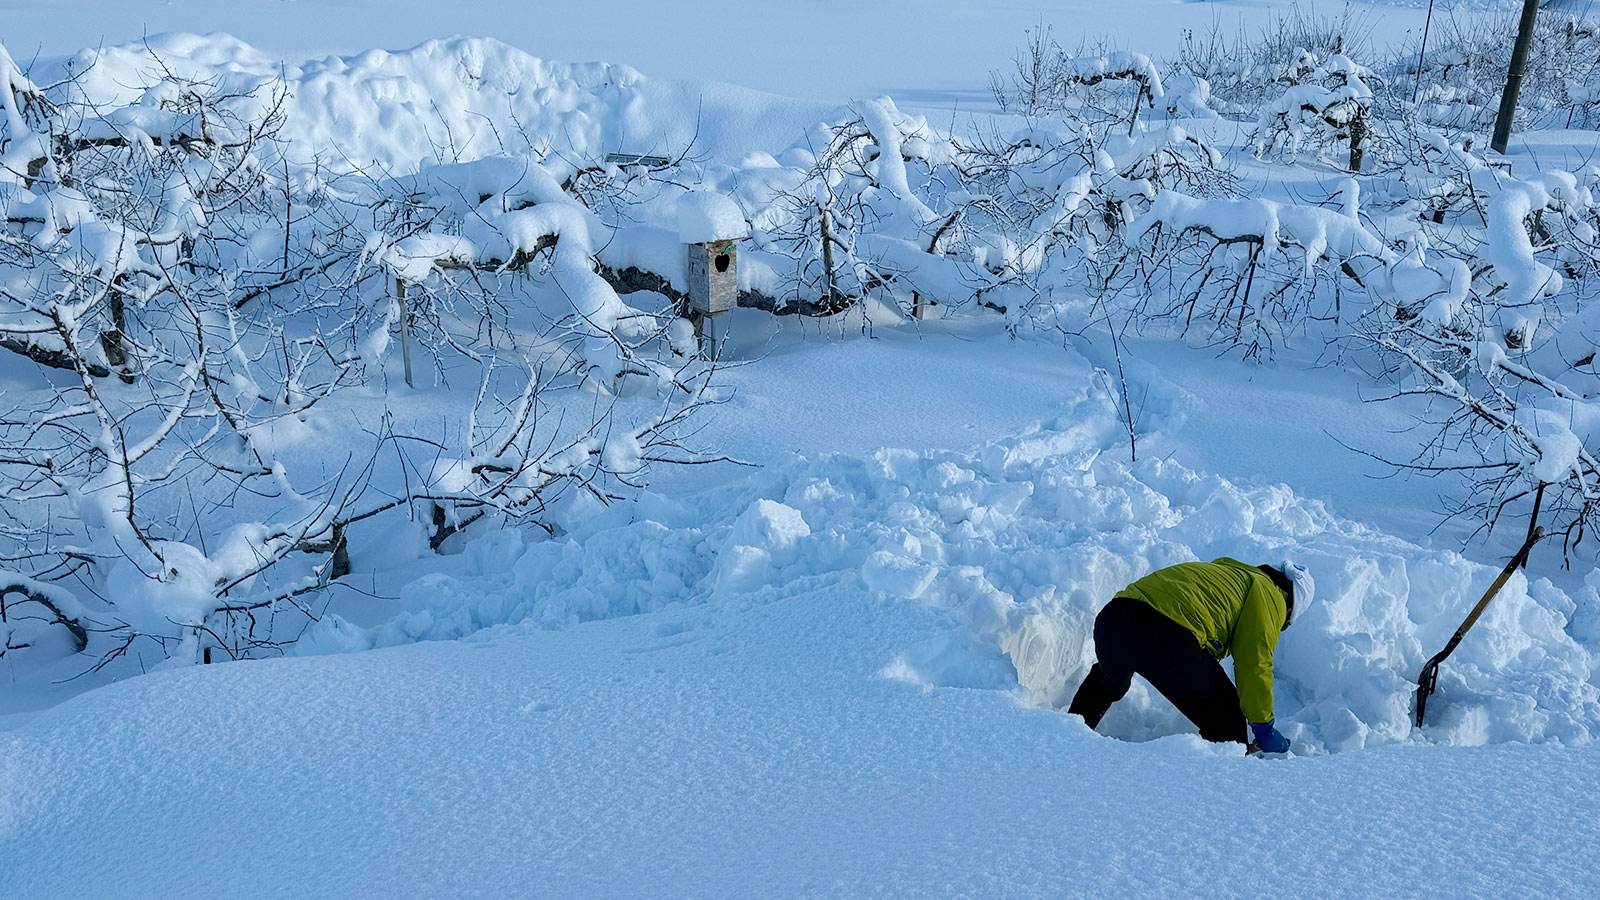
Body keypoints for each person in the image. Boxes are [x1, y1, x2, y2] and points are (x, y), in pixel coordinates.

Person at [1067, 557, 1314, 754]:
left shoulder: (1231, 575)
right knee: (1227, 719)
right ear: (1290, 607)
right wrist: (1264, 729)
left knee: (1108, 684)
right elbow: (1255, 663)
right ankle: (1208, 796)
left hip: (1114, 617)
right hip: (1162, 629)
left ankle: (1065, 739)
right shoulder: (1269, 595)